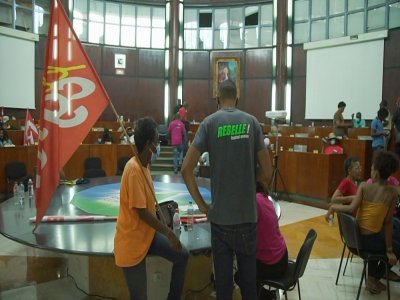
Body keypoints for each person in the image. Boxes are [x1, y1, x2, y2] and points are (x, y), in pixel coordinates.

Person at [181, 79, 272, 299]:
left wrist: (203, 207)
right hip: (247, 218)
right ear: (237, 99)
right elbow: (268, 171)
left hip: (220, 220)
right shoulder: (252, 123)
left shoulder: (209, 124)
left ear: (217, 99)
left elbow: (186, 169)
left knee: (223, 289)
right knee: (249, 287)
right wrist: (249, 183)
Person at [114, 117, 189, 300]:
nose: (159, 144)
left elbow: (149, 207)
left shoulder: (145, 166)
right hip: (132, 242)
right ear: (149, 144)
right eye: (157, 141)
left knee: (183, 255)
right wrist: (168, 233)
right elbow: (142, 213)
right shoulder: (133, 170)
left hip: (148, 236)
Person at [326, 150, 400, 293]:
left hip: (355, 238)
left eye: (372, 168)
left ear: (376, 173)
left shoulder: (364, 186)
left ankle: (372, 279)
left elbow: (352, 208)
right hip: (368, 241)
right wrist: (390, 250)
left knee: (379, 237)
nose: (369, 170)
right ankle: (373, 279)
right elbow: (388, 222)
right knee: (396, 246)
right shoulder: (392, 193)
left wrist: (334, 207)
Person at [254, 166, 288, 284]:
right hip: (281, 257)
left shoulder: (254, 201)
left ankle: (264, 296)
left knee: (241, 273)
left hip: (272, 264)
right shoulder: (263, 197)